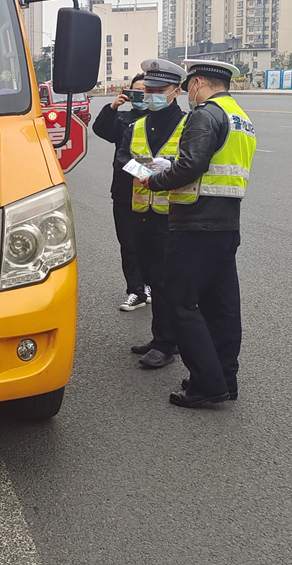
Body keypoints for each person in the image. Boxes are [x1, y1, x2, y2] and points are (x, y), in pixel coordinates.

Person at [137, 59, 255, 408]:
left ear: (199, 82)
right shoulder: (240, 118)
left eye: (189, 85)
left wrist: (154, 180)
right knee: (222, 306)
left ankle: (207, 384)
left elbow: (192, 165)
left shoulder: (205, 114)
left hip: (195, 222)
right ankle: (224, 377)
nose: (189, 92)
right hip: (226, 223)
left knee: (180, 303)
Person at [118, 58, 190, 369]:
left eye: (159, 90)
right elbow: (121, 157)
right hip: (142, 213)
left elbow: (194, 163)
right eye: (148, 90)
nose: (151, 96)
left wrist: (169, 171)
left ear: (176, 91)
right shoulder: (136, 126)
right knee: (150, 279)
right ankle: (159, 337)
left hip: (174, 217)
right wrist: (142, 171)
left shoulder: (189, 124)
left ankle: (167, 344)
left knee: (167, 283)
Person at [92, 73, 151, 311]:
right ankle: (136, 290)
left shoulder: (167, 119)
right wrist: (112, 106)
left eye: (146, 91)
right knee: (129, 242)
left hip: (158, 192)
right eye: (136, 91)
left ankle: (152, 284)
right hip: (126, 191)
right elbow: (100, 130)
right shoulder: (123, 119)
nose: (142, 95)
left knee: (155, 243)